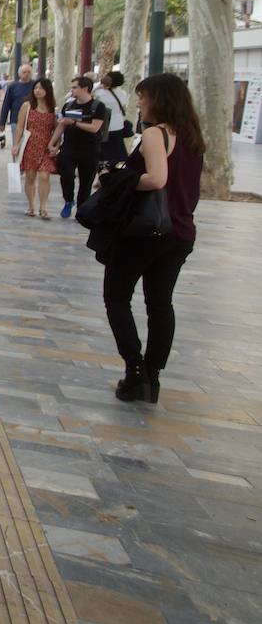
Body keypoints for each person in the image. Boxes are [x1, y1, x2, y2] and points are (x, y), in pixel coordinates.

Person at [103, 73, 203, 403]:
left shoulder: (154, 134)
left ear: (159, 99)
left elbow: (156, 179)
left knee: (117, 295)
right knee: (160, 303)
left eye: (142, 97)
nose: (138, 103)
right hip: (181, 232)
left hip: (147, 232)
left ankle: (135, 372)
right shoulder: (191, 136)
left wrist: (119, 178)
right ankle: (152, 376)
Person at [50, 76, 108, 218]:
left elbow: (95, 127)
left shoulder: (98, 107)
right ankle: (69, 200)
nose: (72, 90)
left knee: (86, 182)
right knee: (66, 175)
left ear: (85, 88)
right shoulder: (69, 105)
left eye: (75, 87)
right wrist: (53, 142)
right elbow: (62, 125)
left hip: (90, 149)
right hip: (69, 147)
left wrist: (74, 123)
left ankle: (82, 209)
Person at [13, 78, 58, 219]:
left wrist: (56, 145)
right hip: (30, 144)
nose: (37, 91)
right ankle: (31, 205)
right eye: (35, 88)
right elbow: (20, 127)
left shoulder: (53, 108)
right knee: (30, 177)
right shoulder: (27, 106)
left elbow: (57, 129)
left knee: (45, 176)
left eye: (41, 88)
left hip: (46, 145)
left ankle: (43, 207)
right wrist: (16, 144)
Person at [95, 71, 130, 167]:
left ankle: (102, 171)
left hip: (103, 126)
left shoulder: (99, 93)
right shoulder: (123, 93)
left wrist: (99, 84)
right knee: (115, 152)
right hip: (118, 125)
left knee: (102, 152)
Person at [0, 64, 35, 135]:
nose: (27, 74)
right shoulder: (13, 86)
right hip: (16, 120)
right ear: (19, 74)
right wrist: (2, 122)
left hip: (32, 120)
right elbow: (6, 105)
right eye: (24, 72)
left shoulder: (35, 85)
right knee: (17, 143)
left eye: (29, 72)